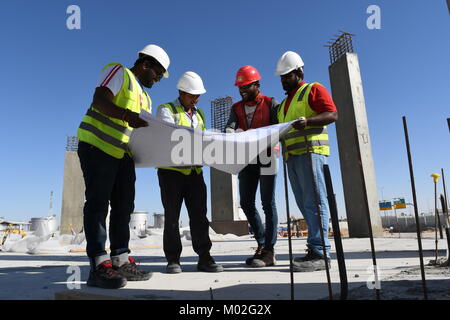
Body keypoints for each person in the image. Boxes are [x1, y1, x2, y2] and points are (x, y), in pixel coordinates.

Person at [77, 44, 170, 288]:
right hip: (97, 146)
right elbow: (99, 100)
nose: (158, 79)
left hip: (123, 154)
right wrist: (127, 115)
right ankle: (98, 265)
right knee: (98, 205)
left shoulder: (147, 98)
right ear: (146, 64)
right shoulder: (120, 73)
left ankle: (119, 260)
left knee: (124, 206)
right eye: (158, 73)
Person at [274, 51, 338, 272]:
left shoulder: (313, 90)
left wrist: (309, 121)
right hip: (292, 159)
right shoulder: (283, 105)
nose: (284, 80)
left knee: (316, 203)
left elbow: (332, 114)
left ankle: (321, 253)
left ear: (299, 73)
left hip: (312, 154)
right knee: (305, 205)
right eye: (282, 77)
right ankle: (314, 249)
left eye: (287, 76)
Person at [156, 71, 223, 274]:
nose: (196, 99)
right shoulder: (166, 110)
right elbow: (170, 136)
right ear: (181, 92)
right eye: (193, 95)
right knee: (172, 217)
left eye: (198, 95)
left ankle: (204, 257)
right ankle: (173, 260)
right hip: (171, 174)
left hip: (195, 172)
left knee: (199, 217)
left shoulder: (199, 114)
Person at [224, 65, 279, 268]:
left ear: (257, 84)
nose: (242, 91)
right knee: (246, 202)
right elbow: (229, 127)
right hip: (246, 160)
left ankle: (269, 251)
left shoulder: (271, 103)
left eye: (246, 87)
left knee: (267, 203)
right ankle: (261, 243)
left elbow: (278, 129)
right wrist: (230, 134)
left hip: (267, 158)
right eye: (240, 87)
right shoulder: (236, 108)